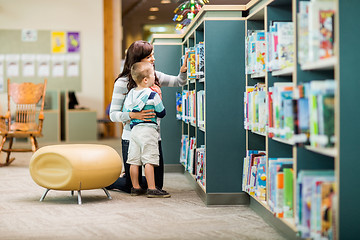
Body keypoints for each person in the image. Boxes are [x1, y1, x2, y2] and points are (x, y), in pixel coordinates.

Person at [106, 40, 188, 193]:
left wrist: (183, 71)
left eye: (153, 55)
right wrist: (133, 115)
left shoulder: (154, 76)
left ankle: (127, 176)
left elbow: (179, 82)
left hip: (152, 137)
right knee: (132, 185)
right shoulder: (122, 82)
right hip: (131, 138)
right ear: (138, 60)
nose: (153, 59)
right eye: (149, 56)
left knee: (156, 185)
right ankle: (111, 181)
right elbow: (113, 115)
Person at [124, 62, 169, 198]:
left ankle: (136, 187)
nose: (154, 79)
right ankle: (152, 188)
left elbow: (126, 112)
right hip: (148, 130)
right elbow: (162, 112)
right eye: (152, 76)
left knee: (134, 160)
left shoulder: (130, 94)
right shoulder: (152, 94)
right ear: (145, 80)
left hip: (135, 131)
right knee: (149, 159)